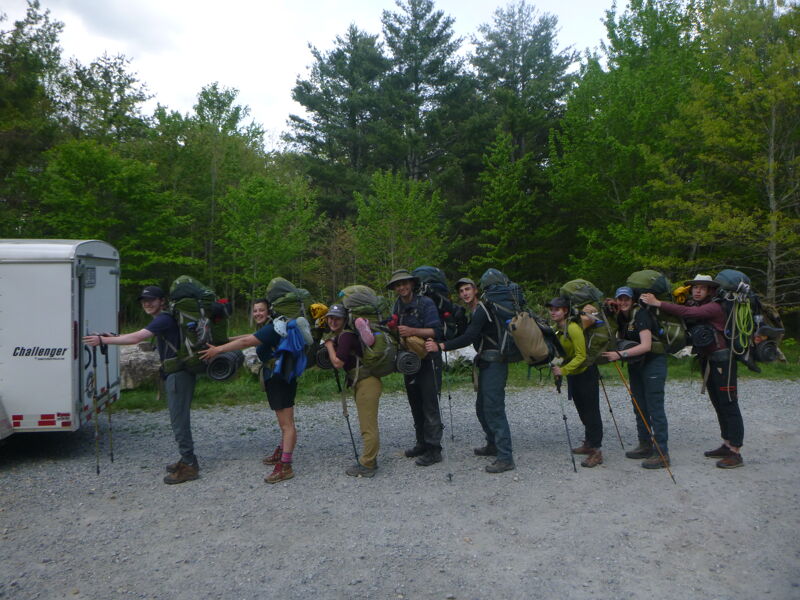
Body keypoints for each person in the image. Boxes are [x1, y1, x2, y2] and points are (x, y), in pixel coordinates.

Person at [83, 285, 199, 485]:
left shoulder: (164, 318)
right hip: (176, 373)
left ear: (161, 300)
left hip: (178, 375)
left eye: (151, 299)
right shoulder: (165, 318)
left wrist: (102, 340)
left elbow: (136, 337)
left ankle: (189, 464)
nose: (147, 303)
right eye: (144, 300)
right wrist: (112, 337)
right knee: (178, 418)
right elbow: (139, 334)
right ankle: (187, 458)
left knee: (179, 420)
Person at [640, 275, 744, 468]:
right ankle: (727, 444)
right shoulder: (697, 305)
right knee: (718, 402)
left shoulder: (714, 307)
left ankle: (736, 452)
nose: (696, 291)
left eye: (702, 288)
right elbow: (684, 310)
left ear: (710, 290)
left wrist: (658, 303)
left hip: (723, 360)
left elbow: (687, 313)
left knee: (729, 403)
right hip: (709, 360)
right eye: (694, 287)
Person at [199, 300, 300, 484]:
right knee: (285, 423)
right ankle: (282, 452)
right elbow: (251, 336)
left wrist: (218, 349)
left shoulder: (274, 328)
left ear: (269, 311)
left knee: (287, 424)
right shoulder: (273, 326)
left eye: (261, 310)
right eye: (255, 311)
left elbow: (247, 341)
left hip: (280, 379)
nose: (258, 313)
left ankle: (286, 466)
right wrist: (227, 340)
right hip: (281, 376)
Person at [425, 276, 515, 473]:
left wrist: (441, 346)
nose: (464, 293)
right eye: (461, 291)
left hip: (494, 362)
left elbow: (469, 337)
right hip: (486, 362)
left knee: (494, 409)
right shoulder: (476, 311)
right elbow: (467, 333)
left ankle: (505, 457)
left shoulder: (482, 309)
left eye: (467, 289)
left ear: (476, 290)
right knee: (482, 407)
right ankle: (492, 444)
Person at [602, 286, 670, 469]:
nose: (623, 302)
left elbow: (646, 345)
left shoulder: (641, 315)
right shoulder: (622, 318)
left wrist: (620, 354)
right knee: (638, 404)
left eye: (626, 299)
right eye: (620, 299)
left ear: (633, 300)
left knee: (654, 407)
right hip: (637, 364)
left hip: (653, 362)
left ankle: (662, 453)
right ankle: (645, 444)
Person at [387, 269, 444, 467]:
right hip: (410, 362)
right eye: (397, 285)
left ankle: (434, 449)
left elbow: (436, 331)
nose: (401, 287)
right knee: (415, 403)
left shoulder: (425, 303)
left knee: (429, 404)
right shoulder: (396, 305)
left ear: (412, 284)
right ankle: (422, 443)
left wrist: (412, 331)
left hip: (429, 360)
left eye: (404, 283)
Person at [323, 303, 382, 478]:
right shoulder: (342, 336)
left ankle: (368, 464)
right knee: (367, 423)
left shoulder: (346, 336)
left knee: (367, 425)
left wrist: (328, 345)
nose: (333, 321)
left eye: (337, 318)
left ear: (344, 320)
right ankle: (371, 458)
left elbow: (338, 362)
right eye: (330, 317)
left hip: (367, 383)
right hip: (363, 382)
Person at [548, 297, 604, 468]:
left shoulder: (573, 328)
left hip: (586, 372)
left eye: (557, 309)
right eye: (551, 309)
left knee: (591, 411)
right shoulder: (557, 330)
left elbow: (581, 356)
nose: (553, 312)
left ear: (565, 311)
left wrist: (563, 370)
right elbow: (562, 353)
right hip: (574, 374)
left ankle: (596, 451)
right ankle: (589, 443)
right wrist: (557, 367)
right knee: (582, 411)